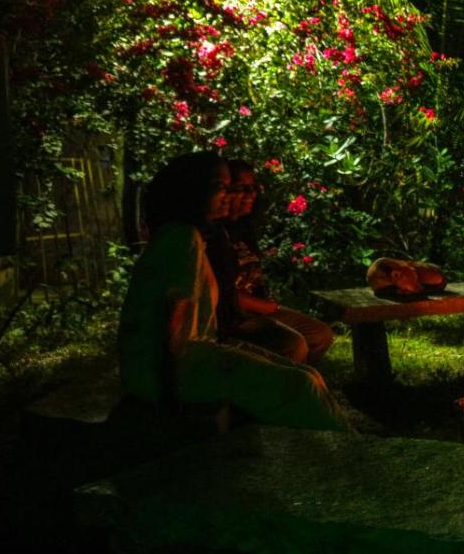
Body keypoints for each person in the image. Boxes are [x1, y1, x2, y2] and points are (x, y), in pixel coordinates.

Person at [117, 151, 347, 431]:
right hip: (177, 368)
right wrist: (168, 395)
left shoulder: (193, 236)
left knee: (308, 375)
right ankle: (351, 448)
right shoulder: (182, 239)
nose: (230, 195)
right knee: (301, 386)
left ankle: (348, 442)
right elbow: (173, 322)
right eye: (221, 187)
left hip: (192, 357)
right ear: (194, 190)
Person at [214, 159, 334, 366]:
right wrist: (267, 307)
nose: (251, 194)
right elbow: (222, 292)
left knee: (320, 334)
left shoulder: (244, 228)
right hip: (234, 316)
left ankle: (301, 377)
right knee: (293, 345)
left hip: (257, 309)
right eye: (242, 188)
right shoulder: (214, 235)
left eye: (254, 188)